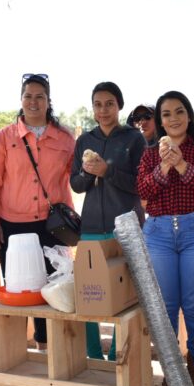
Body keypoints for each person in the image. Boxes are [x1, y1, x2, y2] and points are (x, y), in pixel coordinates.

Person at [0, 74, 75, 349]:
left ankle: (47, 347)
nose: (33, 102)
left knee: (53, 287)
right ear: (21, 100)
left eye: (39, 97)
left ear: (48, 101)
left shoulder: (65, 138)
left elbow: (77, 176)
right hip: (12, 225)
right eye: (28, 96)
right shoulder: (4, 137)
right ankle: (14, 349)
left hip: (53, 225)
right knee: (19, 287)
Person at [137, 91, 194, 386]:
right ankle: (171, 374)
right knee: (166, 307)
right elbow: (143, 191)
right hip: (158, 233)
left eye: (179, 111)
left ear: (189, 115)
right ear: (160, 120)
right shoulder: (149, 155)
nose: (173, 118)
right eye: (166, 113)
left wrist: (182, 164)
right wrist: (164, 166)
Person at [71, 82, 145, 360]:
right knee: (89, 290)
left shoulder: (134, 139)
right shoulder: (84, 140)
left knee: (122, 292)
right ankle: (92, 354)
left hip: (125, 227)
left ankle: (117, 355)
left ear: (119, 106)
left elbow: (142, 185)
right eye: (98, 104)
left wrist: (108, 171)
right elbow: (76, 184)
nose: (103, 110)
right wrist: (88, 173)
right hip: (91, 227)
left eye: (109, 104)